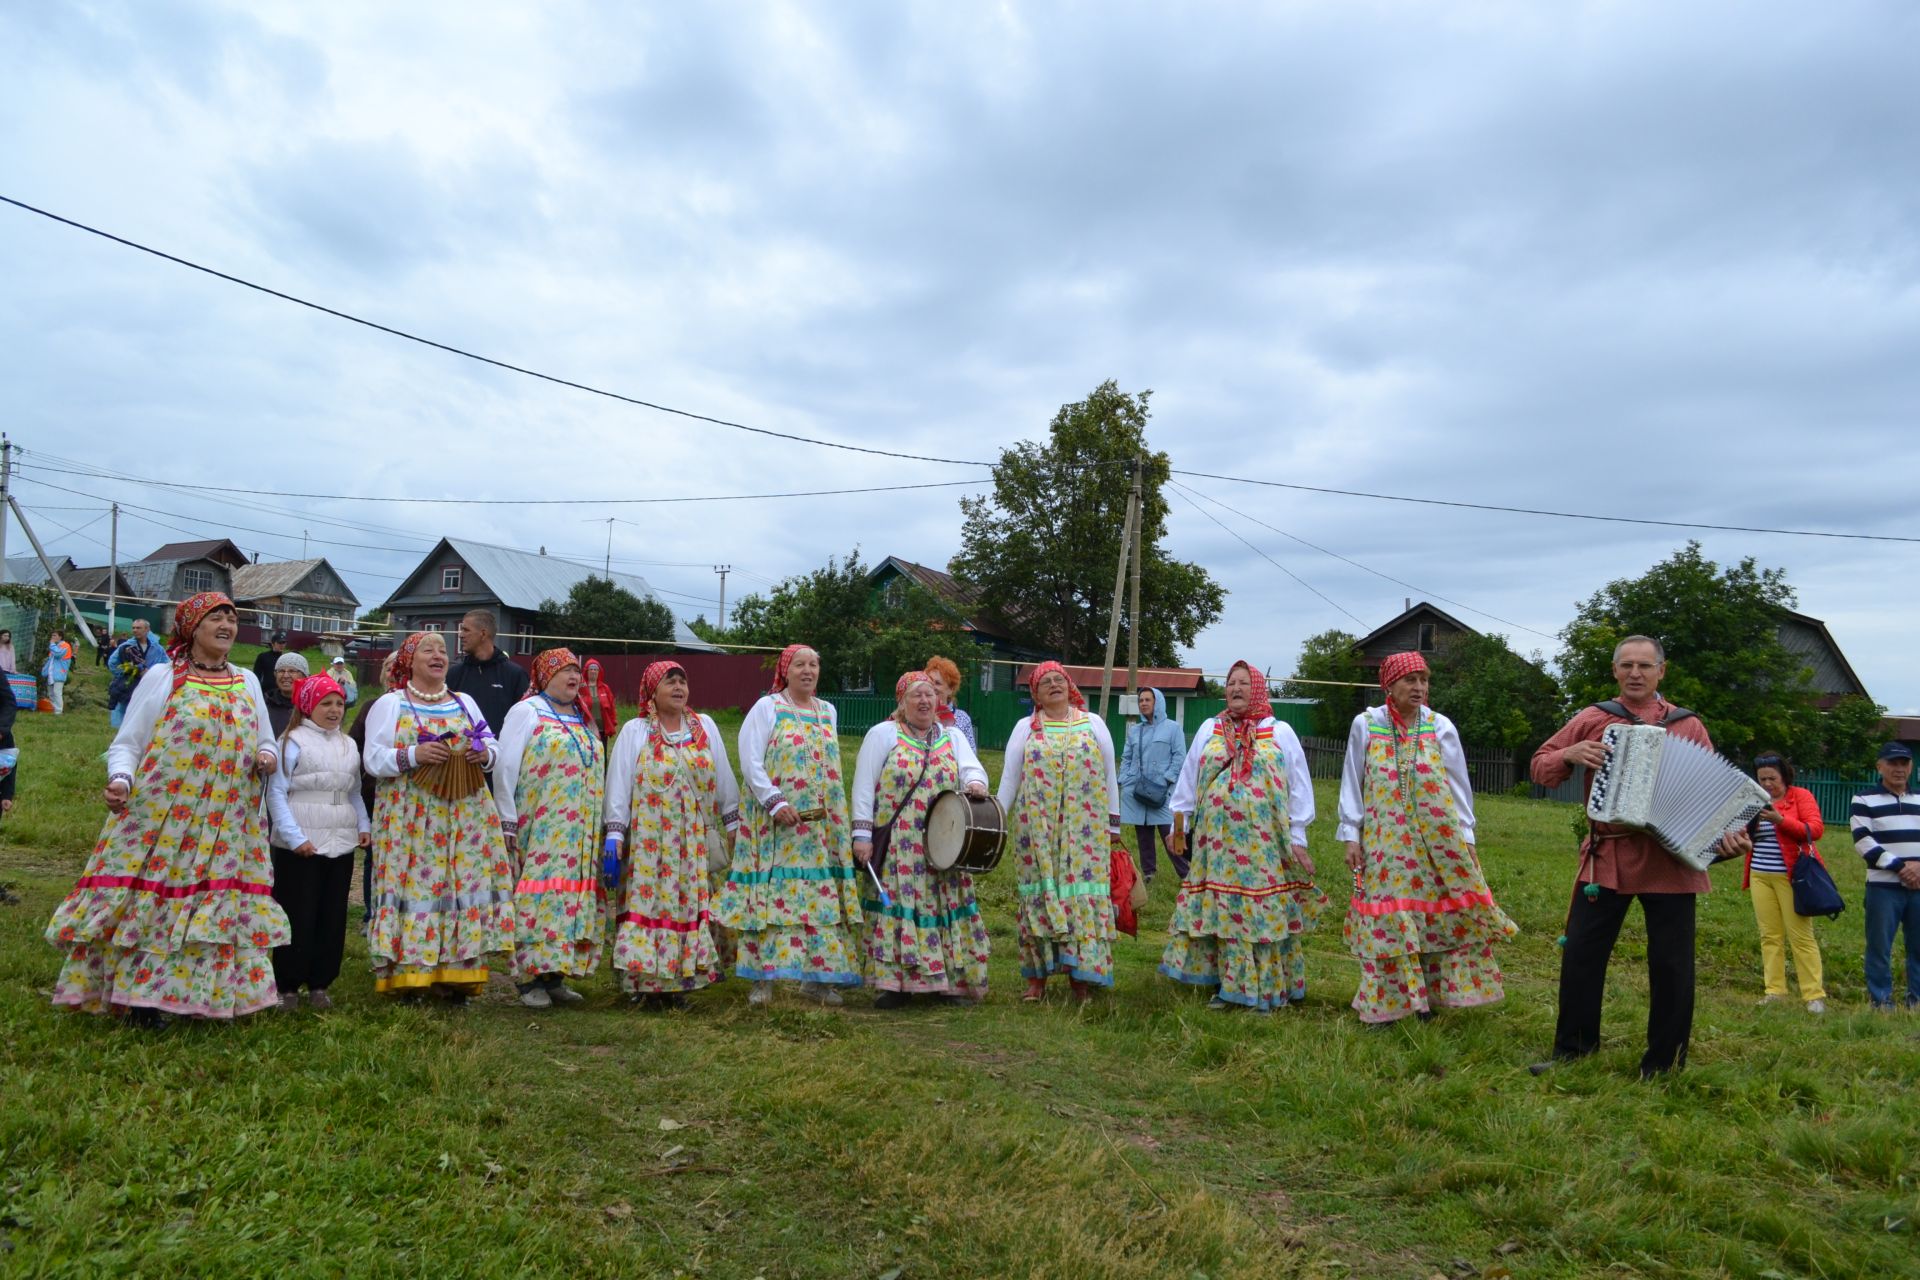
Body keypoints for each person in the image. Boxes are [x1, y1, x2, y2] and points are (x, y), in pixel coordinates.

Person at [44, 592, 288, 1025]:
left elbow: (266, 737)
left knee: (210, 909)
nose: (227, 625)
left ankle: (200, 997)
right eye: (217, 617)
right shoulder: (163, 676)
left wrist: (267, 756)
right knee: (155, 904)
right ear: (192, 627)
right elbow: (129, 743)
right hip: (164, 820)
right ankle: (141, 1000)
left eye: (232, 618)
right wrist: (121, 780)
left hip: (227, 823)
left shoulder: (247, 680)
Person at [1529, 635, 1750, 1079]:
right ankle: (1574, 1051)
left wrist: (1732, 835)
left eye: (1644, 666)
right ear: (1615, 671)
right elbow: (1540, 764)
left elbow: (1715, 792)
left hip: (1670, 862)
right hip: (1607, 858)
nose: (1635, 673)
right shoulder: (1595, 718)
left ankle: (1664, 1065)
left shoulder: (1688, 726)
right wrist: (1570, 754)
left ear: (1660, 671)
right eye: (1626, 665)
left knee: (1672, 965)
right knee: (1582, 957)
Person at [1337, 652, 1516, 1025]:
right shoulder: (1367, 724)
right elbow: (1352, 782)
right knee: (1392, 919)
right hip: (1385, 842)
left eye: (1424, 680)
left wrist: (1466, 835)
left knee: (1431, 919)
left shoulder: (1439, 726)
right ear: (1390, 685)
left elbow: (1458, 785)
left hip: (1436, 843)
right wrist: (1351, 834)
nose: (1418, 688)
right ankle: (1387, 1005)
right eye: (1410, 680)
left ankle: (1427, 1000)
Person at [363, 631, 515, 1003]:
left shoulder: (464, 702)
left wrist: (485, 755)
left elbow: (493, 744)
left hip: (465, 815)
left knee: (459, 886)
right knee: (415, 887)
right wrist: (414, 755)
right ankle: (412, 976)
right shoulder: (391, 703)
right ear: (409, 661)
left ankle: (456, 974)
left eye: (443, 650)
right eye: (427, 650)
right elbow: (371, 759)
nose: (438, 655)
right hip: (410, 816)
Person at [1160, 660, 1317, 1012]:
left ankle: (1271, 985)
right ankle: (1227, 983)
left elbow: (1300, 788)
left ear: (1258, 689)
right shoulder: (1209, 728)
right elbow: (1188, 779)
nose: (1235, 689)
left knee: (1259, 912)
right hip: (1215, 845)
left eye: (1244, 683)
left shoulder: (1279, 732)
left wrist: (1299, 836)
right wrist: (1177, 828)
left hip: (1264, 847)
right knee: (1223, 912)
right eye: (1231, 683)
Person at [715, 644, 863, 1006]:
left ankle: (816, 979)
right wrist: (775, 801)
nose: (808, 671)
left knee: (817, 902)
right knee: (771, 901)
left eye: (814, 664)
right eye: (800, 664)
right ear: (786, 670)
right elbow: (750, 761)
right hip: (775, 827)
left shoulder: (828, 711)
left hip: (818, 831)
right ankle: (763, 981)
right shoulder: (767, 708)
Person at [852, 670, 993, 1008]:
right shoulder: (882, 734)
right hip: (901, 846)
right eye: (916, 694)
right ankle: (896, 986)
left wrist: (975, 783)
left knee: (944, 906)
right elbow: (862, 786)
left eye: (930, 694)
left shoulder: (953, 737)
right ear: (902, 702)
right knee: (902, 908)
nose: (925, 700)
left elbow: (972, 768)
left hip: (944, 843)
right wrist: (861, 834)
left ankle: (951, 984)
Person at [604, 660, 741, 1008]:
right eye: (670, 682)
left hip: (690, 842)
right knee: (649, 904)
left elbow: (723, 778)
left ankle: (680, 983)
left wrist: (733, 825)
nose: (679, 688)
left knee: (686, 906)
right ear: (652, 690)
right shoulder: (635, 731)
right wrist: (614, 835)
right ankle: (646, 983)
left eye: (683, 682)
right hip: (649, 844)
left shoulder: (703, 727)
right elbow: (618, 784)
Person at [998, 660, 1121, 1003]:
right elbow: (1010, 779)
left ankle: (1080, 978)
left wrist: (1113, 822)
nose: (1054, 684)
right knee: (1040, 894)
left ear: (1070, 686)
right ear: (1035, 693)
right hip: (1036, 830)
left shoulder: (1092, 723)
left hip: (1085, 832)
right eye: (1045, 682)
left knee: (1079, 896)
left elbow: (1110, 773)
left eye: (1059, 679)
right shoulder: (1025, 728)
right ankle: (1036, 981)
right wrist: (993, 819)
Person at [494, 648, 606, 1009]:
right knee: (537, 896)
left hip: (578, 831)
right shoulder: (527, 711)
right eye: (565, 671)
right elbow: (505, 767)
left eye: (576, 671)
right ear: (545, 676)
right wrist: (506, 817)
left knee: (567, 899)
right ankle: (528, 978)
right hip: (540, 825)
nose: (574, 677)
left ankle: (554, 975)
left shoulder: (581, 715)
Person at [266, 672, 369, 1011]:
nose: (335, 709)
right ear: (309, 705)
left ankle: (321, 983)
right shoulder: (292, 741)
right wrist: (294, 837)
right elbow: (277, 792)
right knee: (299, 912)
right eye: (326, 703)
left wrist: (363, 826)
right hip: (302, 840)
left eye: (339, 703)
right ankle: (288, 985)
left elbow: (352, 791)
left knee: (332, 914)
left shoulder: (348, 745)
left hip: (339, 839)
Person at [1743, 752, 1827, 1014]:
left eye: (1772, 778)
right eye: (1762, 779)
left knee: (1801, 936)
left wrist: (1781, 820)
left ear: (1785, 776)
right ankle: (1774, 991)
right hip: (1759, 874)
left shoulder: (1800, 796)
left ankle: (1813, 995)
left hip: (1793, 877)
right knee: (1770, 936)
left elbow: (1815, 830)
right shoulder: (1753, 799)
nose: (1767, 784)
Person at [1852, 742, 1920, 1011]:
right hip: (1883, 887)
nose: (1899, 769)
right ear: (1879, 766)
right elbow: (1863, 841)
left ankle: (1916, 1002)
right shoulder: (1864, 799)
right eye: (1892, 763)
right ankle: (1881, 1002)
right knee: (1879, 947)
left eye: (1904, 763)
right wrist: (1902, 867)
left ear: (1911, 766)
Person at [1118, 686, 1186, 882]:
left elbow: (1180, 756)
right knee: (1143, 833)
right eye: (1141, 700)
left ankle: (1186, 873)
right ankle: (1149, 873)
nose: (1144, 703)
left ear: (1158, 702)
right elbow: (1126, 756)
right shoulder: (1135, 731)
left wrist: (1167, 779)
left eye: (1148, 700)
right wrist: (1125, 778)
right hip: (1140, 790)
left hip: (1163, 791)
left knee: (1172, 832)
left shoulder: (1173, 728)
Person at [447, 610, 530, 753]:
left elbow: (523, 724)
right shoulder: (454, 674)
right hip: (458, 764)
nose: (460, 635)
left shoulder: (515, 674)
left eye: (466, 630)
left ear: (483, 634)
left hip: (499, 762)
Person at [107, 619, 169, 728]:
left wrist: (154, 674)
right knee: (126, 717)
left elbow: (167, 665)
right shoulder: (126, 647)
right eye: (133, 628)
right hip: (129, 688)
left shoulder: (157, 649)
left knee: (146, 718)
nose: (135, 630)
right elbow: (112, 664)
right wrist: (128, 673)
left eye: (138, 628)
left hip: (150, 688)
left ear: (147, 629)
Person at [924, 655, 976, 750]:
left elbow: (971, 754)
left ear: (951, 690)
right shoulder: (918, 713)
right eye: (930, 681)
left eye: (938, 683)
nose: (932, 686)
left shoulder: (962, 719)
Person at [265, 651, 310, 738]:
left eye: (292, 671)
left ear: (305, 676)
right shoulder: (265, 705)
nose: (285, 675)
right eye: (281, 671)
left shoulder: (311, 707)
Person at [581, 658, 618, 739]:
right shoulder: (581, 688)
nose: (593, 671)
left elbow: (612, 708)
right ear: (587, 671)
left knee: (602, 750)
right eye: (591, 669)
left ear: (599, 672)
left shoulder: (605, 688)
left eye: (595, 669)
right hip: (587, 728)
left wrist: (612, 723)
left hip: (602, 729)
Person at [43, 628, 73, 714]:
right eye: (52, 635)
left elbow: (58, 654)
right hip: (51, 673)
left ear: (60, 637)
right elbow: (50, 660)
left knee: (57, 692)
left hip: (59, 673)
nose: (52, 637)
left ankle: (58, 711)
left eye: (55, 635)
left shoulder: (65, 646)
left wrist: (52, 644)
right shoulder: (54, 647)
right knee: (51, 693)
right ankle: (53, 709)